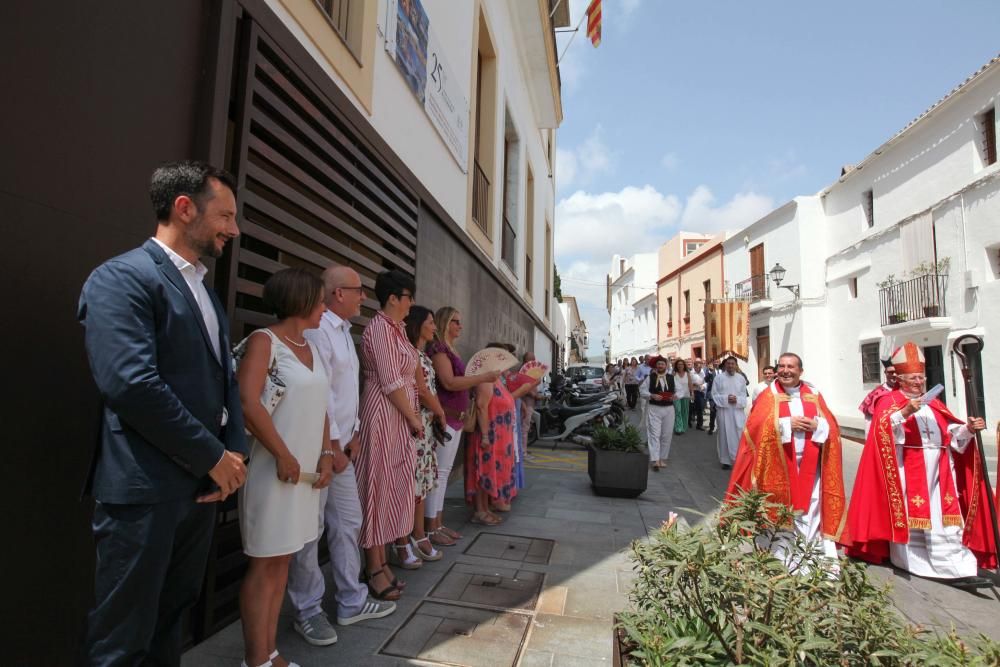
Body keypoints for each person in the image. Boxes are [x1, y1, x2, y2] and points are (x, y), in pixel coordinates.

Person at [78, 161, 248, 667]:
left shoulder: (205, 291)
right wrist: (213, 454)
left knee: (171, 622)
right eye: (226, 216)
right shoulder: (121, 278)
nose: (234, 230)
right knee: (121, 639)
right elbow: (131, 385)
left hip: (200, 491)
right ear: (184, 207)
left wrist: (232, 451)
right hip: (144, 492)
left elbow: (225, 381)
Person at [286, 266, 396, 650]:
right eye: (357, 290)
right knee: (310, 531)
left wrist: (357, 434)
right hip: (322, 451)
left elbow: (349, 392)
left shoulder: (344, 331)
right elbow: (322, 396)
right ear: (336, 294)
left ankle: (351, 599)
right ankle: (308, 610)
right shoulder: (319, 330)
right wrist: (332, 446)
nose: (362, 296)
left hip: (346, 448)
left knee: (348, 523)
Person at [236, 268, 332, 667]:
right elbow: (248, 403)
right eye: (320, 300)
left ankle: (269, 652)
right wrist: (283, 454)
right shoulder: (265, 342)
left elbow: (322, 408)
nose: (325, 307)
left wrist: (326, 454)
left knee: (283, 563)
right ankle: (255, 660)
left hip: (305, 477)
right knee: (264, 564)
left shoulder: (311, 347)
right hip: (274, 473)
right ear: (300, 300)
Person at [842, 342, 994, 587]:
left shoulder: (934, 402)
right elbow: (881, 432)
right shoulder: (889, 401)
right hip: (907, 468)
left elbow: (950, 433)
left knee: (945, 519)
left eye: (921, 377)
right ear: (900, 379)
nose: (918, 382)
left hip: (941, 469)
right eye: (912, 377)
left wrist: (967, 428)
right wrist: (904, 413)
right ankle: (912, 562)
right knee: (915, 520)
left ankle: (958, 566)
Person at [726, 353, 847, 572]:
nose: (785, 371)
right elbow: (754, 429)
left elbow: (832, 427)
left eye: (790, 366)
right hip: (779, 467)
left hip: (812, 469)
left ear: (801, 370)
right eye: (781, 366)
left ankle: (810, 563)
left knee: (811, 512)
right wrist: (785, 424)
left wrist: (817, 425)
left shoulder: (814, 394)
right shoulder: (768, 396)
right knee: (778, 511)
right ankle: (780, 562)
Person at [354, 270, 422, 598]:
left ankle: (381, 560)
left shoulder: (397, 330)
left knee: (392, 485)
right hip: (383, 415)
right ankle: (372, 565)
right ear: (393, 298)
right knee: (377, 486)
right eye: (409, 296)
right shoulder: (380, 329)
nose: (412, 303)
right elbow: (392, 381)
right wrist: (414, 418)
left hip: (397, 418)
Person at [425, 307, 500, 546]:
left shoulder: (450, 350)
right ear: (445, 323)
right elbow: (449, 382)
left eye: (460, 321)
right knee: (439, 473)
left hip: (455, 418)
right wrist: (481, 378)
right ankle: (430, 526)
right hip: (444, 418)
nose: (460, 326)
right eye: (455, 321)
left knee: (444, 473)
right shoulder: (439, 350)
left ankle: (437, 523)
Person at [402, 305, 447, 563]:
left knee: (421, 483)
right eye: (430, 322)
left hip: (426, 429)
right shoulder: (412, 354)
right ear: (418, 324)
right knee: (414, 484)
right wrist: (440, 411)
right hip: (415, 426)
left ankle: (416, 534)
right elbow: (420, 389)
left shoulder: (423, 356)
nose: (434, 327)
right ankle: (412, 536)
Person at [465, 343, 520, 524]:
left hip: (498, 436)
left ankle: (485, 509)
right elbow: (481, 406)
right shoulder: (485, 378)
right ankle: (480, 511)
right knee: (483, 472)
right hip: (488, 434)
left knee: (489, 472)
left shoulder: (494, 378)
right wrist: (486, 436)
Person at [639, 356, 676, 471]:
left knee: (667, 434)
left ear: (666, 366)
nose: (660, 366)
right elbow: (642, 390)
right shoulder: (650, 377)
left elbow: (680, 390)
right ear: (656, 366)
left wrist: (675, 396)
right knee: (654, 434)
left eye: (662, 364)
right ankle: (655, 460)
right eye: (659, 364)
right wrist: (651, 395)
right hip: (654, 408)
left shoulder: (671, 377)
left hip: (669, 409)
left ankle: (662, 458)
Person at [712, 356, 749, 469]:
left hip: (737, 412)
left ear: (736, 365)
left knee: (738, 434)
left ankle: (738, 459)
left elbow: (744, 396)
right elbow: (714, 394)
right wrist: (725, 399)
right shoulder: (718, 378)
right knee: (723, 434)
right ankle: (725, 460)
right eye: (728, 363)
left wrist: (737, 400)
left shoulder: (741, 379)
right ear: (725, 365)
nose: (730, 366)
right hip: (724, 411)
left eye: (732, 363)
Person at [858, 359, 898, 436]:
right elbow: (869, 419)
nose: (894, 375)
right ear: (885, 373)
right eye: (891, 372)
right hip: (884, 434)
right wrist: (869, 438)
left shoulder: (905, 391)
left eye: (897, 372)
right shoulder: (877, 393)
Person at [672, 358, 693, 435]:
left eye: (681, 364)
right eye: (678, 364)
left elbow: (690, 384)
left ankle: (683, 427)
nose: (680, 366)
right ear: (676, 366)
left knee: (685, 411)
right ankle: (678, 428)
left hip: (686, 395)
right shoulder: (674, 374)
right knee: (678, 411)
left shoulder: (687, 374)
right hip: (676, 396)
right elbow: (671, 385)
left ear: (684, 365)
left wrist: (692, 393)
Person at [688, 358, 707, 430]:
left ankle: (699, 425)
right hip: (692, 392)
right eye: (697, 365)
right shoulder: (691, 373)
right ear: (694, 365)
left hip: (700, 392)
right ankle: (688, 423)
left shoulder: (703, 372)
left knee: (700, 409)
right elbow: (688, 383)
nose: (699, 367)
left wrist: (703, 386)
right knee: (691, 408)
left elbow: (705, 382)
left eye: (700, 365)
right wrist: (694, 384)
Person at [704, 361, 718, 434]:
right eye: (715, 362)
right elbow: (706, 380)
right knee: (713, 411)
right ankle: (711, 427)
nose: (716, 363)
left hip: (721, 395)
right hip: (712, 394)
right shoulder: (709, 371)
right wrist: (710, 372)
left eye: (717, 362)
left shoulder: (723, 370)